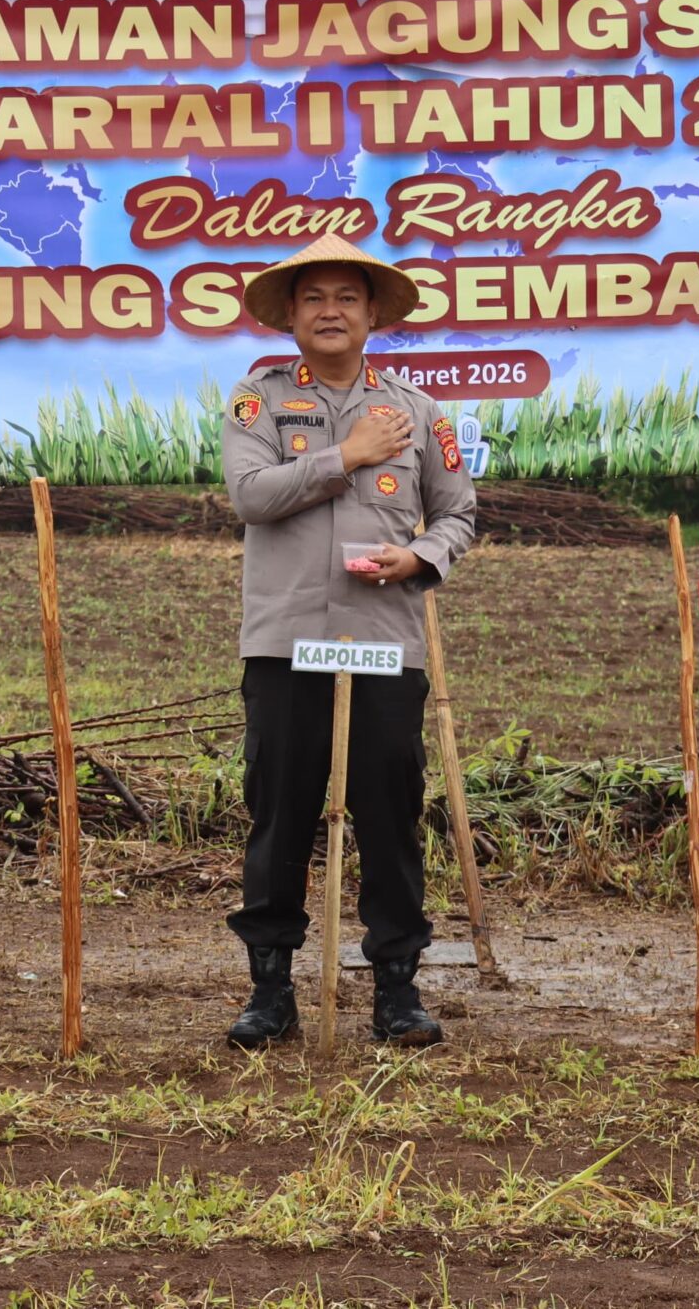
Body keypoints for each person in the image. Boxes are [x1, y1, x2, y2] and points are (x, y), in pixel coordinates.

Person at [218, 233, 477, 1050]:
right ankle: (270, 990)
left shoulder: (418, 410)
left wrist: (420, 556)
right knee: (279, 816)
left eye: (347, 298)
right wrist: (347, 455)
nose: (331, 311)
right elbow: (251, 495)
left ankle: (397, 989)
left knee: (391, 817)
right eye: (314, 298)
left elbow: (461, 514)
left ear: (372, 315)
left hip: (383, 645)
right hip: (286, 643)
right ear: (291, 315)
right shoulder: (257, 401)